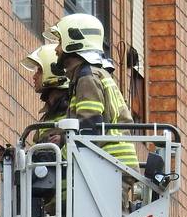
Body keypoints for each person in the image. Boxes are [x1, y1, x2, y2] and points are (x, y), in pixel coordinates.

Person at [43, 13, 138, 171]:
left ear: (74, 43)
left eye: (60, 42)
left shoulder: (87, 77)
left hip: (109, 163)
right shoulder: (91, 74)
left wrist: (62, 156)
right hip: (112, 161)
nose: (57, 49)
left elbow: (88, 126)